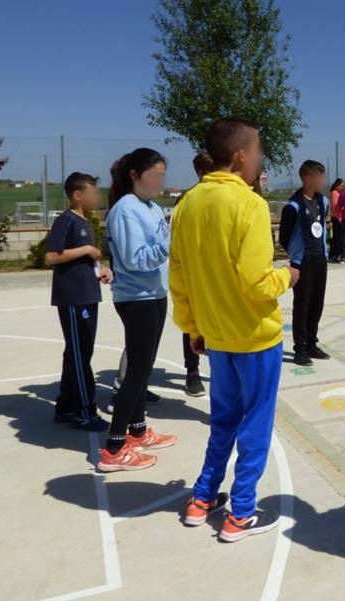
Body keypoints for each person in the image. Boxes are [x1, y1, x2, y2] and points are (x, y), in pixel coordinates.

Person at [170, 118, 300, 541]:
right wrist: (288, 277)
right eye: (258, 150)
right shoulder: (250, 205)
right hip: (254, 336)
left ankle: (203, 497)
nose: (261, 158)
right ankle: (242, 510)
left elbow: (180, 276)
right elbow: (256, 281)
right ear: (241, 155)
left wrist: (193, 327)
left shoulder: (187, 203)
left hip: (216, 335)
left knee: (223, 419)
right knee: (256, 423)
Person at [100, 148, 177, 473]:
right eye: (155, 175)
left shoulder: (152, 208)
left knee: (143, 368)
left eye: (163, 175)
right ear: (134, 175)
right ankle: (114, 448)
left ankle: (138, 430)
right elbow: (134, 259)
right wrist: (171, 243)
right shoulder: (125, 210)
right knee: (137, 372)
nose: (160, 181)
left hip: (155, 294)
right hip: (136, 298)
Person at [45, 172, 111, 432]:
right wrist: (86, 251)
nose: (97, 196)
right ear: (77, 195)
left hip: (88, 294)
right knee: (80, 355)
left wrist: (100, 267)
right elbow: (52, 256)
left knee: (77, 352)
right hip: (73, 298)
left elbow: (87, 258)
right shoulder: (67, 220)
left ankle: (64, 406)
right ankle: (84, 411)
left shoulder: (85, 221)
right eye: (93, 192)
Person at [280, 160, 332, 366]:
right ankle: (299, 348)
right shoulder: (293, 207)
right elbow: (284, 237)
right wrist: (296, 255)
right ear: (308, 178)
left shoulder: (323, 201)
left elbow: (322, 226)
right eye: (320, 177)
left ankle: (312, 342)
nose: (323, 181)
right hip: (302, 261)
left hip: (320, 258)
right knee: (302, 305)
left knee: (317, 303)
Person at [175, 152, 214, 397]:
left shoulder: (226, 197)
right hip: (195, 272)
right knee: (192, 325)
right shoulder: (187, 200)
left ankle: (221, 371)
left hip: (217, 273)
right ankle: (192, 372)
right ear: (199, 173)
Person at [328, 178, 345, 263]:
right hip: (337, 218)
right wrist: (339, 217)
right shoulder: (335, 193)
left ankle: (336, 254)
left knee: (338, 237)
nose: (343, 187)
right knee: (338, 237)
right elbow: (335, 206)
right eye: (341, 185)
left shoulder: (337, 193)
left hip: (337, 217)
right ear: (337, 185)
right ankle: (337, 254)